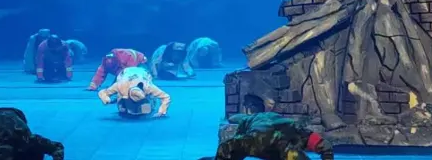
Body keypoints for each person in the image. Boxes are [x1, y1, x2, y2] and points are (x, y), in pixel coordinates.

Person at [199, 112, 334, 160]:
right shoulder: (295, 129)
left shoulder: (250, 130)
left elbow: (227, 147)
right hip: (274, 140)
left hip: (266, 139)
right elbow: (325, 146)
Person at [97, 66, 171, 118]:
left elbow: (166, 97)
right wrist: (106, 99)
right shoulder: (120, 85)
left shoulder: (148, 87)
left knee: (146, 110)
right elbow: (103, 93)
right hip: (125, 73)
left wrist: (161, 112)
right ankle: (123, 103)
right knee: (123, 110)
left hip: (144, 73)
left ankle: (148, 101)